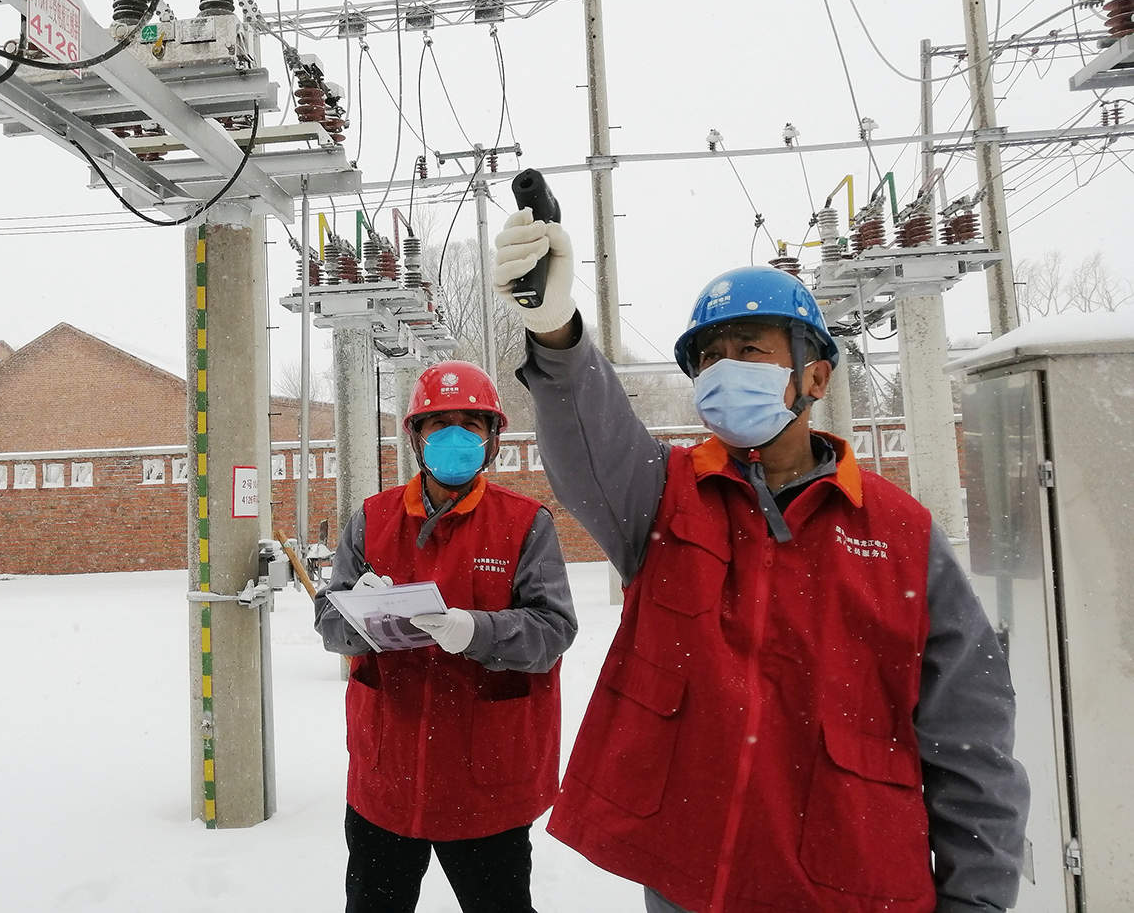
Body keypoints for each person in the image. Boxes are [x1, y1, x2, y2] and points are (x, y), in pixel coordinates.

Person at [492, 209, 1030, 913]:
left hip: (851, 885)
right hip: (694, 881)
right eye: (710, 358)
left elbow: (971, 737)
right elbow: (591, 443)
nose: (725, 371)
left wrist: (977, 900)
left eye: (750, 349)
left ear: (815, 376)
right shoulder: (665, 496)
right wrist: (556, 331)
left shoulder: (900, 534)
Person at [314, 359, 577, 913]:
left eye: (471, 424)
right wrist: (358, 616)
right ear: (416, 436)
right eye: (439, 423)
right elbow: (329, 623)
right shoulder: (372, 519)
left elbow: (553, 630)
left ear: (492, 439)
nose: (455, 436)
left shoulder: (525, 523)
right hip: (388, 775)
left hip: (485, 781)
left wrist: (477, 630)